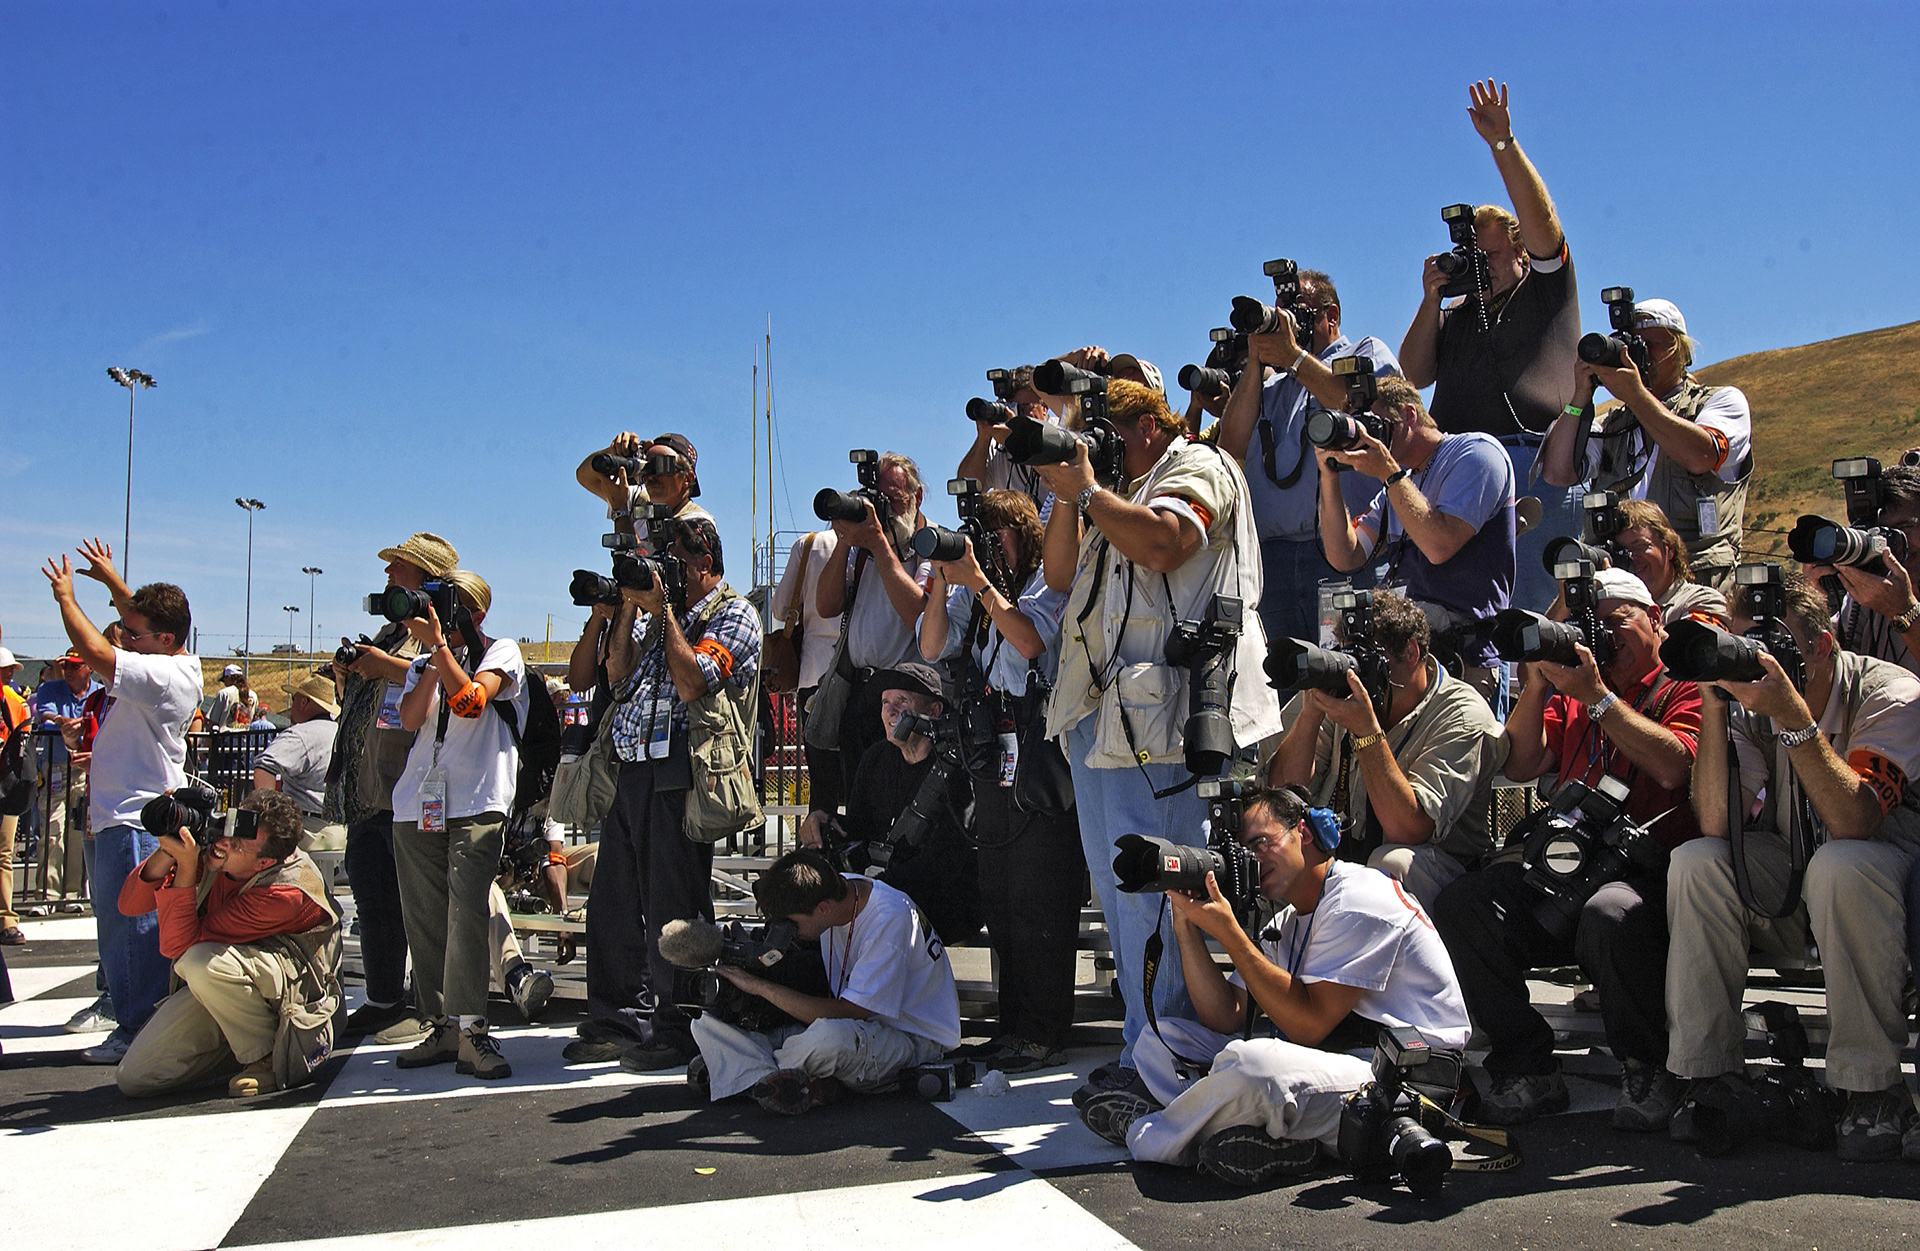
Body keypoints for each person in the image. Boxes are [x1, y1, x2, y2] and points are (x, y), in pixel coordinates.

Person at [1032, 378, 1284, 1099]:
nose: (1094, 444)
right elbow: (1056, 573)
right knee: (1120, 895)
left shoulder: (1196, 467)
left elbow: (1169, 543)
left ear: (1145, 423)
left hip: (1169, 719)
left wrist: (1089, 491)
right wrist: (1066, 489)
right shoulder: (1112, 491)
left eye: (1104, 428)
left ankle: (1172, 1051)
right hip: (1105, 717)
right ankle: (1143, 1046)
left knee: (1159, 892)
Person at [1077, 784, 1470, 1188]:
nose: (1251, 860)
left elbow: (1309, 1025)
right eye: (1243, 851)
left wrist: (1232, 936)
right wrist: (1186, 927)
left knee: (1253, 1064)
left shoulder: (1360, 896)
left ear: (1305, 832)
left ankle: (1148, 1131)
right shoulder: (1289, 921)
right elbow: (1224, 1015)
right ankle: (1277, 1141)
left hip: (1404, 1085)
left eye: (1261, 843)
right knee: (1161, 1040)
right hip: (1342, 1066)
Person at [1433, 568, 1702, 1127]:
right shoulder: (1577, 694)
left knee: (1611, 914)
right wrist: (1537, 681)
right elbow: (1521, 763)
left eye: (1616, 620)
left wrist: (1600, 699)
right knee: (1468, 904)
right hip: (1569, 862)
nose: (1605, 635)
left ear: (1656, 621)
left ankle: (1648, 1067)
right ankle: (1528, 1065)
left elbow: (1676, 767)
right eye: (1591, 626)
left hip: (1651, 871)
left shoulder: (1684, 685)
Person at [1670, 570, 1920, 1162]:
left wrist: (1793, 718)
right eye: (1743, 645)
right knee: (1699, 862)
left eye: (1772, 647)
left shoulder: (1890, 692)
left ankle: (1872, 1090)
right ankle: (1708, 1073)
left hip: (1889, 890)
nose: (1757, 664)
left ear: (1824, 644)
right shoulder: (1748, 701)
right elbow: (1715, 824)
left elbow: (1855, 820)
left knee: (1843, 863)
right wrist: (1713, 706)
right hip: (1798, 881)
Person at [566, 516, 761, 1071]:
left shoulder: (733, 612)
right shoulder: (655, 619)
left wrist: (666, 611)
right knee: (613, 903)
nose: (665, 574)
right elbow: (617, 677)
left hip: (684, 774)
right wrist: (629, 607)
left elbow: (694, 680)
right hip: (633, 770)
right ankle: (615, 1019)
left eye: (674, 562)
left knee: (674, 904)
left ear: (704, 564)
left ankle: (680, 1025)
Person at [1400, 80, 1580, 615]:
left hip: (1532, 465)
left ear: (1520, 250)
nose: (1483, 264)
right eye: (1474, 256)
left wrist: (1503, 144)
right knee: (1458, 612)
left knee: (1536, 619)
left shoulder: (1545, 292)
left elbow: (1544, 223)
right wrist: (1432, 298)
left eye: (1492, 254)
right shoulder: (1460, 313)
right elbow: (1414, 373)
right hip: (1458, 467)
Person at [919, 489, 1083, 1073]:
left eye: (997, 534)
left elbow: (1030, 640)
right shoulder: (971, 590)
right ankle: (1014, 1025)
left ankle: (1043, 1028)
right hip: (992, 754)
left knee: (1041, 893)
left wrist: (982, 581)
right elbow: (931, 644)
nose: (988, 547)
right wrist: (944, 579)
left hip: (1040, 750)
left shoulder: (1048, 582)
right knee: (1001, 891)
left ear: (1024, 535)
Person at [42, 538, 202, 1064]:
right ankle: (132, 1017)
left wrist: (67, 599)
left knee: (131, 927)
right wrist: (113, 581)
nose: (124, 636)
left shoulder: (165, 674)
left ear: (164, 639)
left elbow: (95, 652)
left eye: (134, 634)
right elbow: (140, 622)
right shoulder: (161, 655)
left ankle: (137, 1027)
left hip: (134, 819)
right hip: (118, 813)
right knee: (118, 923)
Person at [1268, 588, 1501, 908]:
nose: (1357, 673)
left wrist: (1366, 731)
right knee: (1282, 856)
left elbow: (1409, 829)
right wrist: (1311, 714)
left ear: (1412, 653)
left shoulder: (1462, 714)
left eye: (1370, 659)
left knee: (1391, 865)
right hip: (1346, 855)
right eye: (1348, 656)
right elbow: (1281, 793)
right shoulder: (1342, 694)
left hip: (1437, 872)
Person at [690, 847, 960, 1115]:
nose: (789, 932)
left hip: (912, 1039)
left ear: (822, 909)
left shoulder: (888, 920)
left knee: (828, 1040)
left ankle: (742, 1071)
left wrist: (760, 987)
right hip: (853, 1025)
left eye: (792, 924)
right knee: (706, 1022)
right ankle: (770, 1078)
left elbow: (851, 1012)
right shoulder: (831, 888)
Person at [1215, 268, 1403, 646]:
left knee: (1346, 674)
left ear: (1331, 316)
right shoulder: (1270, 385)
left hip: (1343, 555)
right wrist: (1255, 362)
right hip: (1273, 559)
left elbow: (1354, 406)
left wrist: (1294, 356)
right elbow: (1230, 446)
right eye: (1282, 312)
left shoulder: (1365, 353)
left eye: (1301, 313)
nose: (1290, 324)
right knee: (1281, 685)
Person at [388, 569, 527, 1081]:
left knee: (467, 912)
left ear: (478, 612)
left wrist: (444, 651)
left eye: (449, 603)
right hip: (417, 804)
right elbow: (409, 719)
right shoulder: (424, 661)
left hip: (477, 801)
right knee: (425, 917)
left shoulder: (502, 651)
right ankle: (444, 1023)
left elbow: (470, 701)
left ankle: (474, 1031)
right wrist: (430, 659)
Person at [114, 790, 340, 1098]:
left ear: (264, 863)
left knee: (199, 961)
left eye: (237, 846)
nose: (223, 844)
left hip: (293, 993)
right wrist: (169, 850)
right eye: (229, 830)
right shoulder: (221, 851)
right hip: (229, 984)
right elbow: (128, 904)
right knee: (136, 1077)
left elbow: (179, 947)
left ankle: (264, 1056)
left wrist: (185, 865)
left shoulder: (286, 890)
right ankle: (237, 1043)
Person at [324, 531, 460, 1040]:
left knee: (419, 905)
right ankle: (384, 997)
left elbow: (450, 679)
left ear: (423, 574)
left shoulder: (437, 632)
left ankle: (434, 1005)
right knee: (374, 898)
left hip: (409, 790)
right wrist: (350, 672)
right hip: (368, 792)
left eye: (397, 566)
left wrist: (386, 667)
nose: (387, 576)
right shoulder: (387, 634)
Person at [1316, 376, 1516, 699]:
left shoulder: (1476, 452)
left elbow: (1439, 545)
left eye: (1375, 425)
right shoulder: (1399, 483)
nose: (1369, 437)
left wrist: (1389, 473)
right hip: (1406, 654)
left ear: (1409, 416)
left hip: (1463, 660)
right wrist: (1329, 477)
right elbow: (1345, 556)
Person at [1541, 298, 1752, 591]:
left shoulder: (1720, 403)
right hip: (1624, 587)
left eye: (1650, 345)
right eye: (1631, 348)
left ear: (1680, 350)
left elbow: (1700, 455)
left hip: (1697, 586)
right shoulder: (1612, 425)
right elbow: (1557, 472)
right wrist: (1579, 397)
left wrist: (1637, 396)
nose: (1641, 356)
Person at [801, 663, 982, 956]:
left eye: (902, 702)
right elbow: (858, 829)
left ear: (934, 711)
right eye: (886, 702)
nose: (890, 711)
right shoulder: (876, 758)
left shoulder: (956, 768)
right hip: (882, 894)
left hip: (943, 901)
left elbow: (944, 863)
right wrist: (823, 820)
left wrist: (869, 890)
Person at [812, 451, 934, 796]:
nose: (885, 511)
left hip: (907, 698)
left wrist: (879, 543)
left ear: (917, 496)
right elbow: (826, 606)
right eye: (878, 500)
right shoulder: (862, 548)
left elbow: (918, 615)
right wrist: (844, 542)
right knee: (860, 798)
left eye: (893, 500)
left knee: (900, 797)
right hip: (862, 694)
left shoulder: (929, 543)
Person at [1801, 463, 1920, 678]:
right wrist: (1816, 605)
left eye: (1905, 529)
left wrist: (1905, 611)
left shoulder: (1888, 600)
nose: (1894, 546)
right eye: (1882, 535)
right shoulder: (1870, 596)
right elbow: (1833, 678)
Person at [768, 527, 846, 815]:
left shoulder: (811, 544)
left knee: (823, 784)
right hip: (864, 671)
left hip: (815, 673)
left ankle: (819, 852)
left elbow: (779, 608)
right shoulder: (877, 542)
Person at [28, 650, 98, 908]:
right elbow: (45, 714)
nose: (69, 670)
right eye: (66, 665)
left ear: (89, 668)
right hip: (55, 765)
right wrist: (62, 722)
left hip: (85, 767)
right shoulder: (50, 688)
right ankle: (47, 893)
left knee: (78, 829)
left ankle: (73, 892)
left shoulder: (98, 692)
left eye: (76, 666)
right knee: (51, 828)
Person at [251, 671, 340, 846]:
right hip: (342, 830)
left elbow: (265, 767)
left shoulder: (301, 734)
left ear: (303, 702)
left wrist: (271, 816)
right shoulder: (341, 731)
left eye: (294, 700)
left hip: (306, 830)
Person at [575, 431, 713, 539]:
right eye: (647, 468)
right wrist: (614, 452)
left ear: (688, 478)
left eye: (662, 466)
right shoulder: (639, 501)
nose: (651, 476)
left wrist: (621, 511)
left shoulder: (697, 523)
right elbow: (585, 476)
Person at [1612, 499, 1729, 625]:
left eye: (1640, 546)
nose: (1631, 557)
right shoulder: (1609, 608)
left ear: (1669, 548)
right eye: (1621, 551)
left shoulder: (1701, 602)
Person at [0, 651, 29, 945]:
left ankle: (6, 919)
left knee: (3, 855)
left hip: (6, 786)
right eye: (3, 669)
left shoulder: (14, 701)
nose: (8, 673)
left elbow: (23, 737)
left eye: (11, 668)